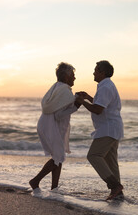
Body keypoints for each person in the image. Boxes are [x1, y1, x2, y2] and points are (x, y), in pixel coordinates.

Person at [29, 62, 83, 191]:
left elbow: (56, 108)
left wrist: (75, 99)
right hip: (51, 126)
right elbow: (59, 115)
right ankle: (35, 180)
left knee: (58, 157)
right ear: (66, 77)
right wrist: (77, 105)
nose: (74, 78)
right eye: (73, 75)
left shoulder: (56, 87)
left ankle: (54, 187)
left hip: (46, 124)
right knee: (58, 157)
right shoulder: (64, 91)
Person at [78, 60, 124, 200]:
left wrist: (82, 102)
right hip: (112, 128)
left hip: (107, 129)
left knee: (94, 156)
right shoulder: (106, 85)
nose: (94, 72)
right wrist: (88, 97)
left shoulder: (105, 87)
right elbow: (101, 104)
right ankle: (118, 194)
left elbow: (98, 110)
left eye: (96, 70)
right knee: (111, 161)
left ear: (102, 72)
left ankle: (114, 186)